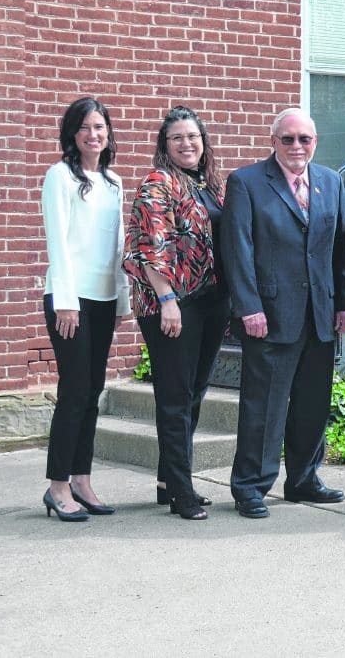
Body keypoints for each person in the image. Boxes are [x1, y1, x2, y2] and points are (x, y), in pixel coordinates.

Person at [221, 108, 345, 519]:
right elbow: (237, 250)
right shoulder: (246, 183)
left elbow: (342, 247)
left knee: (312, 404)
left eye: (305, 139)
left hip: (319, 315)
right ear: (273, 141)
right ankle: (250, 486)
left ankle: (303, 480)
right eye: (288, 139)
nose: (297, 147)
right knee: (264, 406)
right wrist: (249, 307)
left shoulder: (330, 182)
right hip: (269, 315)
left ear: (315, 142)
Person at [123, 106, 230, 521]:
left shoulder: (211, 186)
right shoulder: (158, 182)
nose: (188, 144)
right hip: (172, 303)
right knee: (174, 397)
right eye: (178, 138)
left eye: (193, 136)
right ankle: (182, 494)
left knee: (195, 392)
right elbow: (148, 246)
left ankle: (170, 482)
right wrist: (167, 300)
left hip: (210, 301)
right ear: (165, 146)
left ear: (204, 142)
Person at [40, 96, 130, 522]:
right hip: (69, 301)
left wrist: (122, 300)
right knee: (74, 391)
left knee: (92, 392)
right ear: (72, 134)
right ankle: (57, 486)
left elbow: (116, 249)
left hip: (103, 299)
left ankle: (82, 479)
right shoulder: (60, 177)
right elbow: (58, 242)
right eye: (85, 127)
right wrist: (66, 301)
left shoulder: (113, 182)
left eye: (100, 127)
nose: (94, 134)